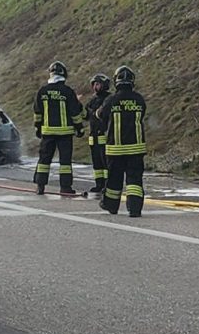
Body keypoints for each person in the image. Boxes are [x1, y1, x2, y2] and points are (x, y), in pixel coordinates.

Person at [97, 65, 147, 217]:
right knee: (134, 179)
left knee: (114, 179)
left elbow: (101, 115)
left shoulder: (111, 100)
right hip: (136, 149)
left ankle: (111, 205)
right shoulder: (139, 99)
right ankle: (135, 209)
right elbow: (143, 114)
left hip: (115, 149)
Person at [32, 61, 85, 195]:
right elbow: (75, 112)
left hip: (47, 132)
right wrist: (79, 128)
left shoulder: (42, 91)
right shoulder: (68, 92)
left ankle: (40, 186)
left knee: (44, 160)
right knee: (65, 163)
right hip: (65, 133)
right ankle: (65, 187)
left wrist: (38, 128)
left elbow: (37, 113)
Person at [84, 73, 111, 193]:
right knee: (96, 164)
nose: (95, 87)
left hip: (104, 137)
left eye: (98, 84)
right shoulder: (93, 100)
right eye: (94, 84)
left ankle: (107, 184)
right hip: (93, 137)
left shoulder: (109, 99)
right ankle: (99, 184)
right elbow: (85, 116)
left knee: (105, 163)